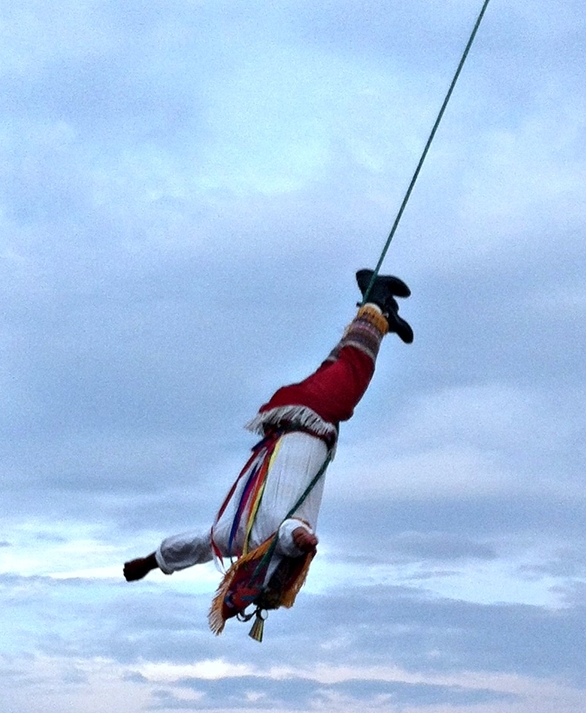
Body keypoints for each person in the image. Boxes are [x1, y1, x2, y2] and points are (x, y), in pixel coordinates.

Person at [123, 269, 413, 638]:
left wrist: (305, 542)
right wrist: (149, 563)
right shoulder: (233, 536)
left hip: (312, 416)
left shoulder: (278, 536)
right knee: (335, 369)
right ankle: (380, 317)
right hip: (284, 411)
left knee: (352, 374)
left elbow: (292, 535)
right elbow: (193, 545)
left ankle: (376, 298)